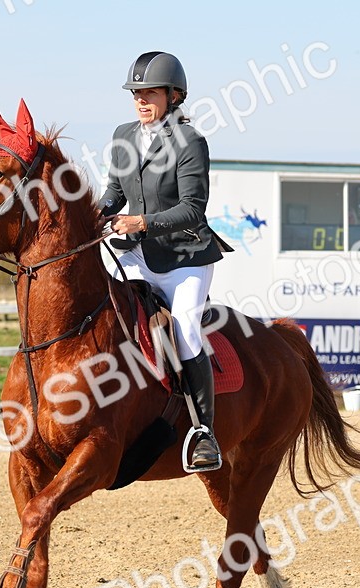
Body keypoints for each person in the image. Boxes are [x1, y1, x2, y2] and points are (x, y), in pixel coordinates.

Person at [99, 51, 228, 472]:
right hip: (136, 254)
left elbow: (193, 209)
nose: (140, 99)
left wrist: (142, 221)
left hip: (184, 258)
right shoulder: (123, 134)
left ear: (174, 96)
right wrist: (92, 216)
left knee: (186, 329)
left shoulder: (190, 143)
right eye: (136, 92)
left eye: (149, 92)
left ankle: (203, 430)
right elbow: (114, 195)